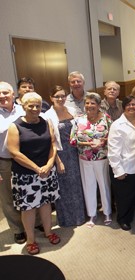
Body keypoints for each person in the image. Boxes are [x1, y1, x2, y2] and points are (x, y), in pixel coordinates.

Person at [7, 92, 60, 255]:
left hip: (46, 171)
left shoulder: (46, 122)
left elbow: (53, 143)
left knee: (46, 204)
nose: (35, 108)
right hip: (25, 175)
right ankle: (31, 240)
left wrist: (50, 164)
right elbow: (14, 152)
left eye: (38, 105)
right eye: (31, 105)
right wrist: (37, 169)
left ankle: (48, 232)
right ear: (23, 106)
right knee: (28, 208)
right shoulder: (15, 126)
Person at [43, 85, 86, 227]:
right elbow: (51, 141)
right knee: (65, 187)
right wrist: (58, 161)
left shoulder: (72, 110)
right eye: (57, 96)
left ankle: (80, 216)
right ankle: (67, 219)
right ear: (51, 98)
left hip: (76, 152)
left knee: (78, 185)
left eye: (63, 96)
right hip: (61, 154)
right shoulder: (48, 115)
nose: (60, 99)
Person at [70, 92, 113, 228]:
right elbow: (72, 140)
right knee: (88, 186)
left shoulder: (106, 118)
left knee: (104, 185)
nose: (89, 106)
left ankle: (107, 212)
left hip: (102, 157)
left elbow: (113, 137)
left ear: (99, 105)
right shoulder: (79, 119)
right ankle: (92, 214)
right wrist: (88, 144)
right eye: (87, 103)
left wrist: (102, 142)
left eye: (93, 103)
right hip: (85, 158)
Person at [108, 95, 135, 231]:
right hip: (125, 167)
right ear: (123, 107)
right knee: (125, 196)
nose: (131, 107)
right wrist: (118, 170)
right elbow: (113, 150)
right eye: (128, 105)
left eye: (134, 104)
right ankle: (124, 219)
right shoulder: (117, 125)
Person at [0, 81, 26, 244]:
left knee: (28, 191)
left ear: (13, 94)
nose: (2, 96)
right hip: (5, 161)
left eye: (5, 93)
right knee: (8, 197)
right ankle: (17, 229)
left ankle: (36, 222)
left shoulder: (23, 110)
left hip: (25, 160)